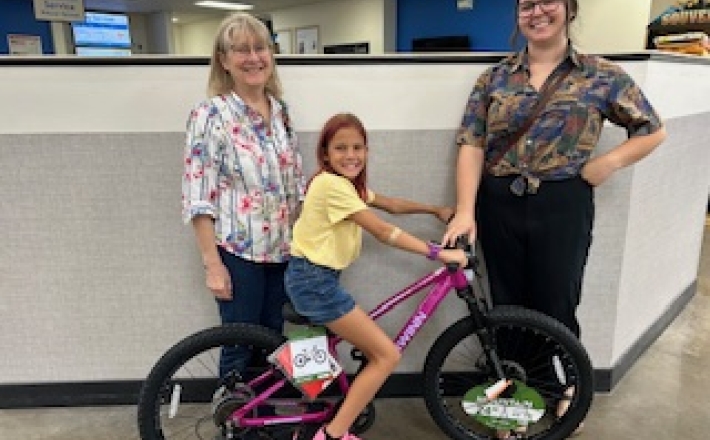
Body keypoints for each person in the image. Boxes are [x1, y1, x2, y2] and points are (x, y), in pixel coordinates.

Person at [442, 0, 666, 437]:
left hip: (563, 203)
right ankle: (510, 398)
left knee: (558, 300)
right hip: (499, 200)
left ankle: (562, 388)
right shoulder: (495, 78)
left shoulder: (600, 74)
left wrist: (610, 162)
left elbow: (653, 129)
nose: (536, 12)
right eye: (527, 4)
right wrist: (466, 210)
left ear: (569, 9)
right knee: (504, 304)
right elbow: (471, 144)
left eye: (548, 2)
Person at [285, 113, 467, 440]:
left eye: (358, 147)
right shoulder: (332, 185)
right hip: (315, 283)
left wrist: (435, 210)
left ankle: (315, 418)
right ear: (325, 154)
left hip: (313, 278)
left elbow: (391, 205)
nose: (351, 155)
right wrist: (440, 253)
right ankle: (333, 434)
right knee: (387, 355)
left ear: (367, 151)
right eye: (340, 148)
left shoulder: (346, 185)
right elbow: (383, 230)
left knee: (349, 351)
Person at [182, 13, 305, 378]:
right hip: (238, 255)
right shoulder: (210, 115)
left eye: (260, 47)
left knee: (272, 345)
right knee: (238, 347)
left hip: (282, 252)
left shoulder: (281, 111)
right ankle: (233, 427)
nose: (254, 58)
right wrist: (212, 264)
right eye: (241, 50)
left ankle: (263, 424)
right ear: (224, 60)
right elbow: (197, 195)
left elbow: (295, 184)